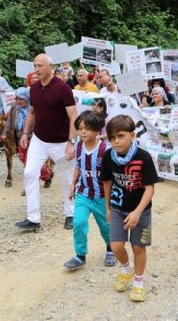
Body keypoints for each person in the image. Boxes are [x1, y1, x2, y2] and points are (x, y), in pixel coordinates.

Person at [16, 54, 78, 231]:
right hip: (39, 140)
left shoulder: (63, 88)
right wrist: (26, 133)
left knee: (67, 178)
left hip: (61, 142)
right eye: (35, 65)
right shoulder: (33, 89)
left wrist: (71, 142)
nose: (36, 69)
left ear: (51, 67)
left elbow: (73, 115)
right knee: (29, 173)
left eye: (40, 66)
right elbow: (32, 113)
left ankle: (70, 213)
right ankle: (33, 218)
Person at [101, 115, 158, 303]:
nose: (116, 141)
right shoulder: (109, 156)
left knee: (138, 246)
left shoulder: (143, 157)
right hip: (118, 207)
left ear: (132, 135)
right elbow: (107, 181)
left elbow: (150, 188)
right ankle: (126, 269)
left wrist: (138, 212)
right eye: (112, 137)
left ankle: (139, 282)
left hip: (142, 210)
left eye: (121, 136)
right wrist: (108, 207)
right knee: (116, 246)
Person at [63, 111, 115, 271]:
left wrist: (108, 204)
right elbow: (78, 166)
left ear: (97, 130)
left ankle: (111, 249)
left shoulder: (105, 151)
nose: (83, 132)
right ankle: (80, 255)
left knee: (106, 227)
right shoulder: (78, 146)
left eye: (87, 128)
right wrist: (72, 185)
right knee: (78, 223)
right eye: (80, 128)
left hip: (101, 196)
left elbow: (109, 179)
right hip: (83, 194)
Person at [1, 87, 53, 195]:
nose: (19, 101)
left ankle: (29, 187)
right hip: (20, 139)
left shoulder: (33, 108)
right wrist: (4, 133)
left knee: (29, 164)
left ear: (26, 98)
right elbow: (9, 121)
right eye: (17, 98)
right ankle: (48, 175)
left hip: (33, 138)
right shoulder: (14, 108)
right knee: (24, 159)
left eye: (21, 99)